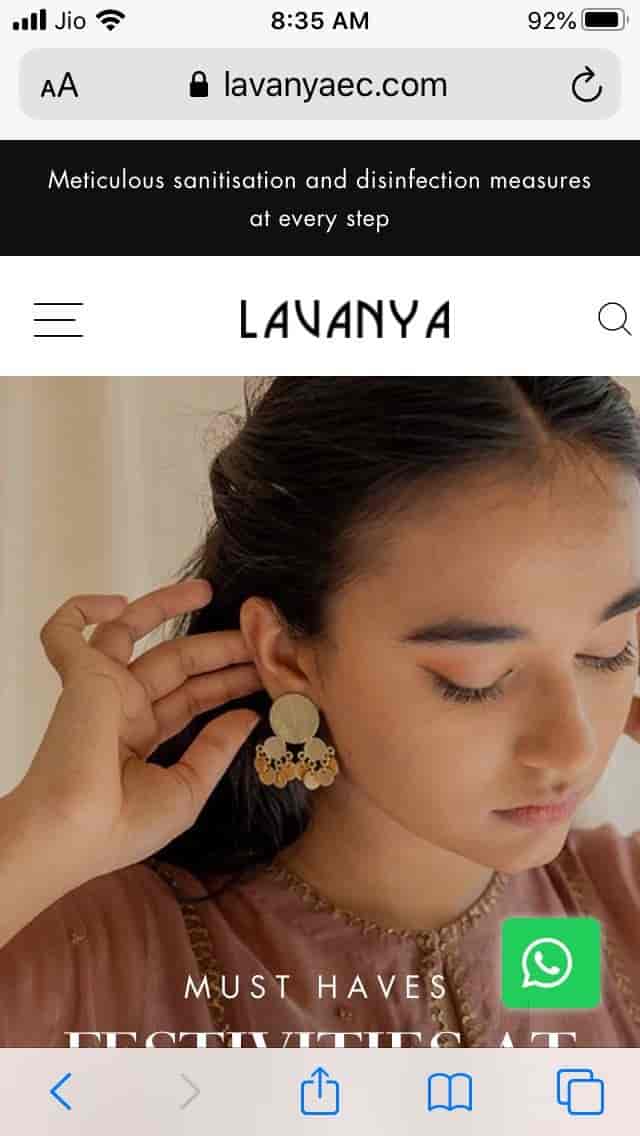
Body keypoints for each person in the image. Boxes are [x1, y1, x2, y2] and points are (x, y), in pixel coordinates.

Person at [2, 375, 640, 1048]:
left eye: (609, 650)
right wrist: (47, 829)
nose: (572, 748)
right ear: (288, 656)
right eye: (476, 680)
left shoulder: (622, 905)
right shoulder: (85, 962)